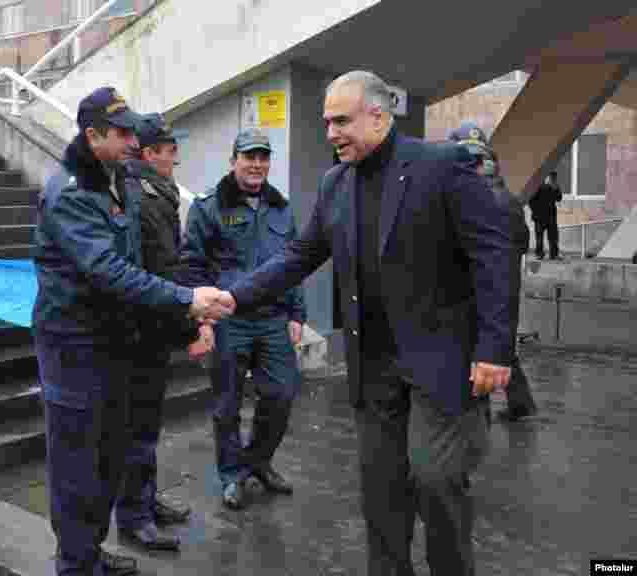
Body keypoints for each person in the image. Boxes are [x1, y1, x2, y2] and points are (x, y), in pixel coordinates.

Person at [220, 71, 520, 576]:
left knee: (434, 479)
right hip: (375, 367)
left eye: (341, 121)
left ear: (379, 116)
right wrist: (231, 297)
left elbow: (494, 253)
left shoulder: (443, 166)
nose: (331, 133)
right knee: (381, 493)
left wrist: (495, 348)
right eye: (326, 122)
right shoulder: (336, 183)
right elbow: (300, 255)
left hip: (441, 362)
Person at [32, 87, 232, 576]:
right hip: (75, 349)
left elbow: (146, 258)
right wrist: (187, 300)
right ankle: (76, 564)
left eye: (132, 131)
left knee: (108, 458)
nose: (132, 140)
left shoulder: (119, 179)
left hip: (114, 343)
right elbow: (109, 271)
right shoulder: (72, 193)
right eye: (120, 133)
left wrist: (179, 316)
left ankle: (90, 551)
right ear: (92, 135)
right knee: (78, 467)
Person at [181, 127, 306, 510]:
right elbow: (192, 267)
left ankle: (258, 461)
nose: (256, 164)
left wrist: (297, 313)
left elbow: (294, 264)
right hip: (228, 321)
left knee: (281, 395)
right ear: (234, 160)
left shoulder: (281, 207)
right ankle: (232, 474)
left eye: (262, 157)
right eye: (249, 156)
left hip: (272, 319)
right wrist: (200, 322)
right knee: (227, 405)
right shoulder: (208, 207)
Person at [113, 113, 209, 552]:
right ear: (150, 154)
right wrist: (189, 325)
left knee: (147, 426)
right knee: (137, 427)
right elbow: (158, 269)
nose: (177, 158)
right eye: (170, 151)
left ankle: (145, 501)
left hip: (150, 328)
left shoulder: (155, 192)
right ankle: (133, 516)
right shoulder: (141, 196)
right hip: (139, 332)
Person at [449, 122, 538, 423]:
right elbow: (523, 242)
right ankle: (520, 404)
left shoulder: (469, 196)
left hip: (476, 290)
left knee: (481, 353)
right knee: (501, 346)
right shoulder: (509, 199)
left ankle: (478, 423)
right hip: (506, 287)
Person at [529, 170, 563, 259]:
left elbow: (559, 198)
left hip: (550, 216)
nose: (553, 179)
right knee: (540, 237)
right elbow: (531, 200)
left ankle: (553, 254)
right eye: (551, 177)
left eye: (554, 178)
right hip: (540, 216)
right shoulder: (537, 186)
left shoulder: (554, 187)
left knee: (553, 237)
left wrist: (556, 187)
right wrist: (535, 211)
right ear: (546, 177)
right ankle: (540, 254)